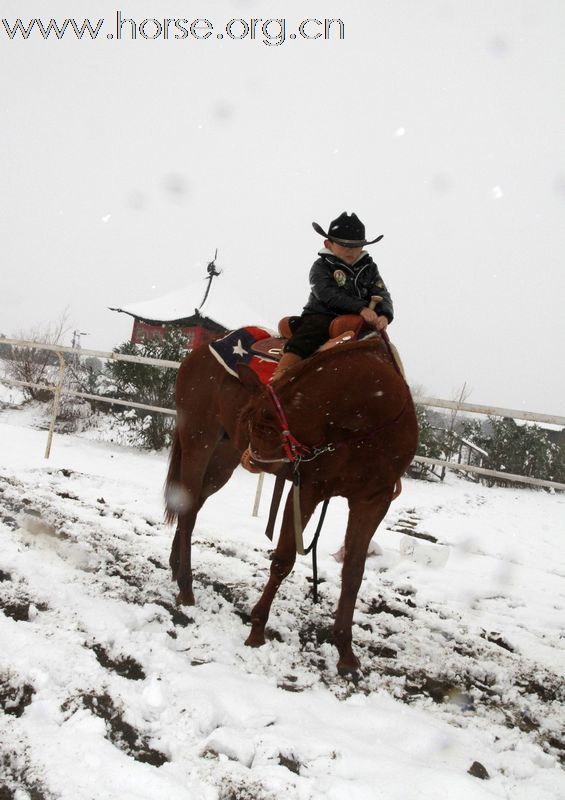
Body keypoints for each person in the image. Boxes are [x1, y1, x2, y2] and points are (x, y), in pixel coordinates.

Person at [272, 211, 394, 381]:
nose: (350, 250)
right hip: (324, 314)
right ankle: (281, 376)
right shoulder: (321, 266)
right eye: (344, 244)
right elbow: (326, 293)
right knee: (310, 334)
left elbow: (381, 292)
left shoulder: (370, 268)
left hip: (360, 320)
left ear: (363, 247)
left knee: (381, 348)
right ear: (328, 244)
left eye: (356, 245)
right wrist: (360, 308)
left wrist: (385, 315)